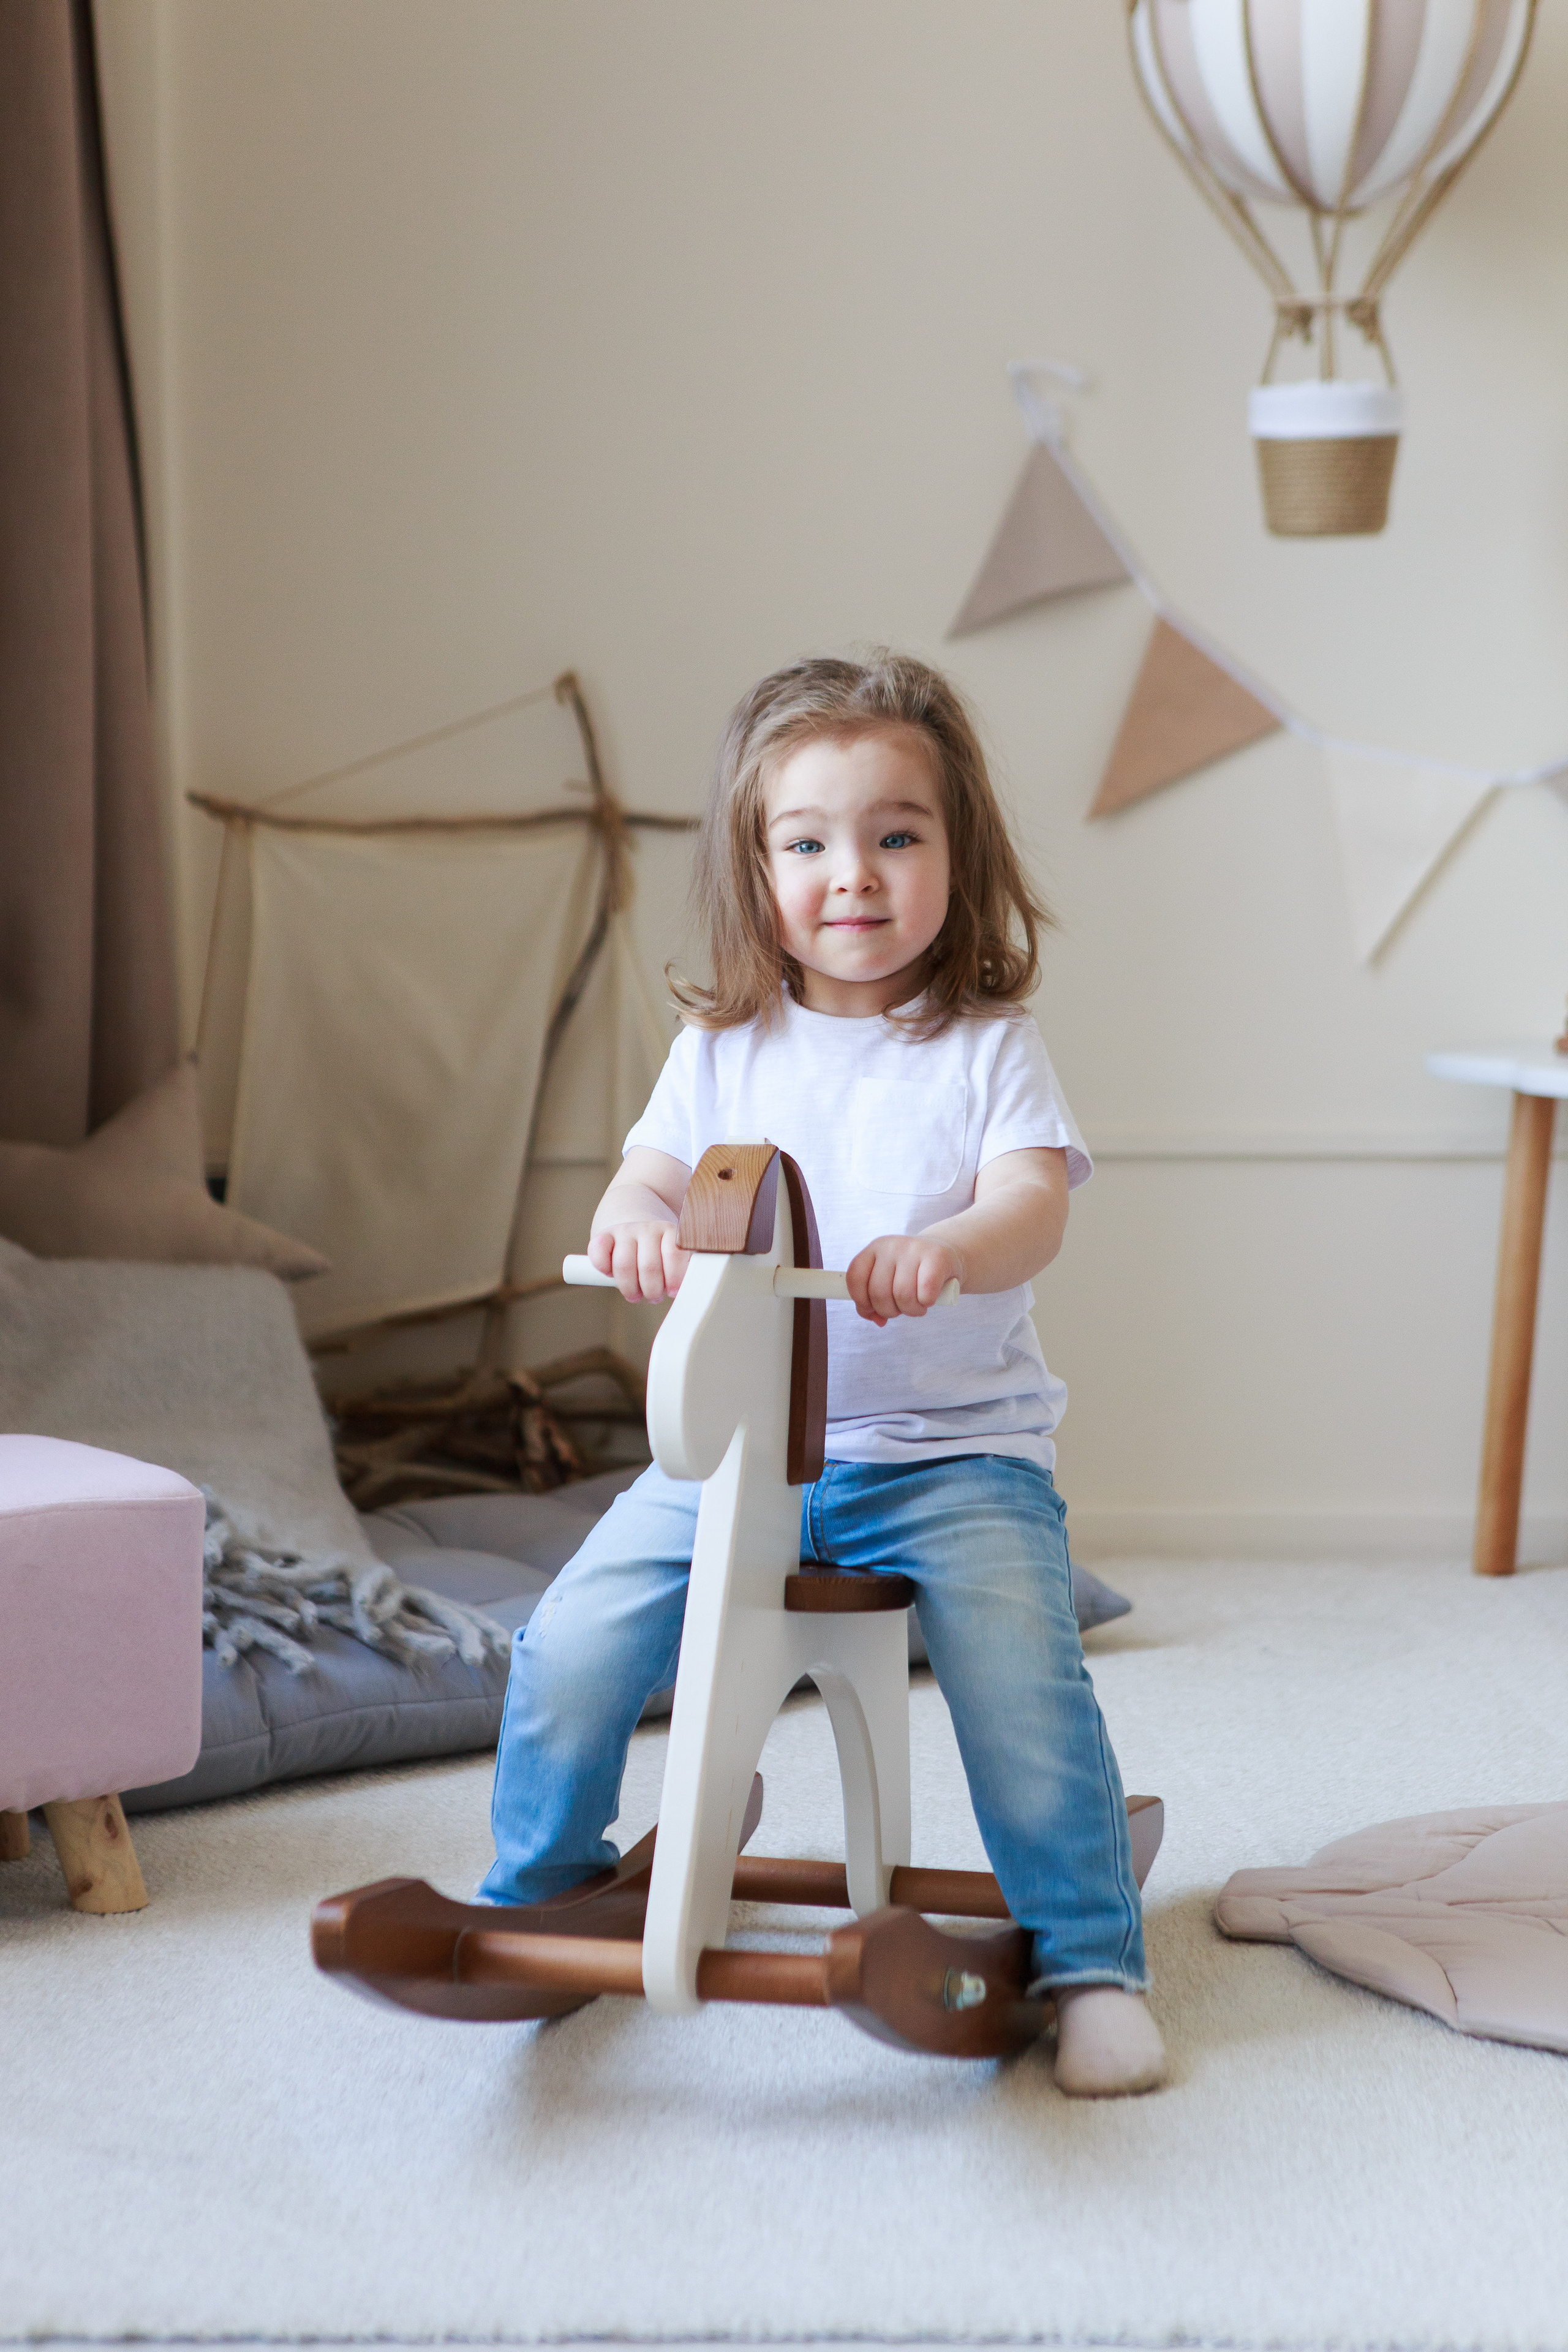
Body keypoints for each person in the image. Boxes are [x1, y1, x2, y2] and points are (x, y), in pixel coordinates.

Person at [482, 651, 1166, 2097]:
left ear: (954, 854)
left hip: (948, 1456)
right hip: (738, 1466)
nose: (850, 874)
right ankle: (544, 1888)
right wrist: (631, 1220)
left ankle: (1094, 1957)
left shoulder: (986, 1048)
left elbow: (1030, 1202)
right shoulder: (720, 1045)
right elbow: (651, 1179)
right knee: (568, 1646)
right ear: (755, 867)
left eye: (894, 835)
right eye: (807, 843)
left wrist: (956, 1247)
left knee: (1021, 1684)